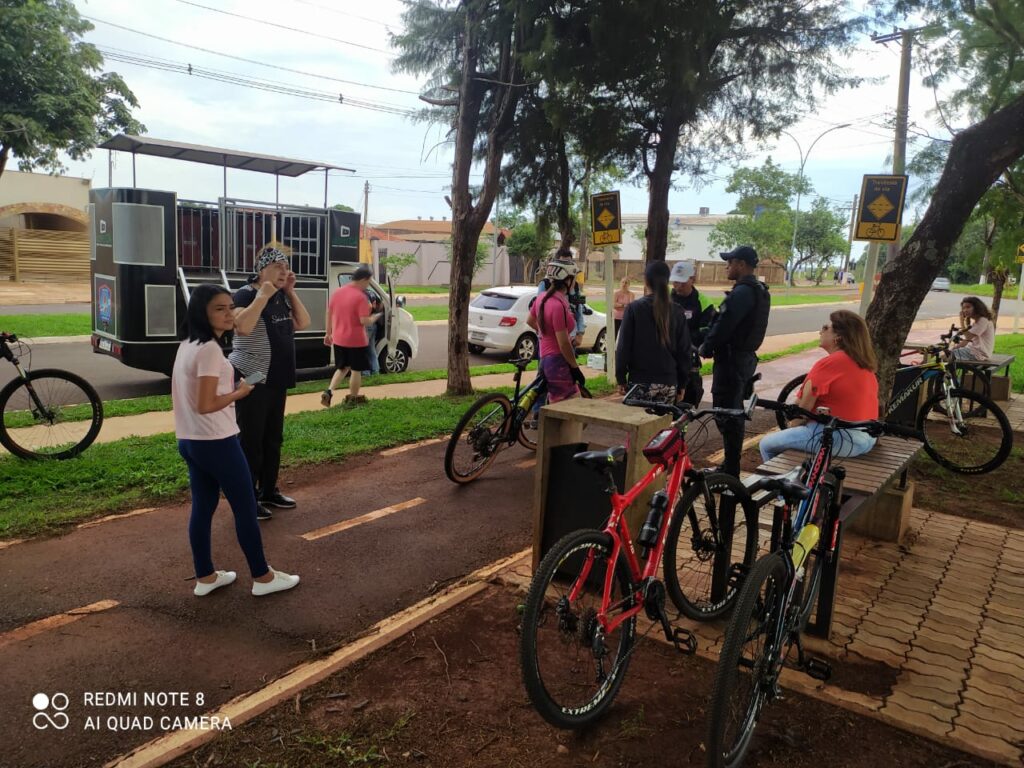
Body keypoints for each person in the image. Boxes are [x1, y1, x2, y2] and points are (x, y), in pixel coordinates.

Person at [172, 284, 300, 598]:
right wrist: (240, 393)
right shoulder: (210, 350)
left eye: (231, 307)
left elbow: (196, 397)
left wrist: (230, 389)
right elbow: (205, 404)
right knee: (244, 507)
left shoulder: (188, 343)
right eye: (220, 308)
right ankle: (263, 577)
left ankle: (206, 576)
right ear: (202, 312)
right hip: (217, 441)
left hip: (190, 440)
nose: (229, 314)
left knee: (203, 507)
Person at [231, 246, 312, 520]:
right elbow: (242, 326)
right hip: (252, 378)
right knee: (250, 441)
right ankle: (247, 498)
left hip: (277, 378)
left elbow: (303, 322)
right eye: (277, 266)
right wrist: (263, 296)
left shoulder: (281, 296)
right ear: (261, 268)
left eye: (285, 266)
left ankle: (268, 490)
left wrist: (289, 291)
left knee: (273, 439)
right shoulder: (246, 294)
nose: (284, 271)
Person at [759, 310, 879, 462]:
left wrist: (790, 430)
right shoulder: (864, 363)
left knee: (767, 445)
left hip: (841, 438)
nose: (820, 331)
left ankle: (780, 484)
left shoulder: (828, 365)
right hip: (867, 439)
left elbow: (801, 413)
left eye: (825, 328)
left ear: (838, 337)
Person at [699, 245, 771, 476]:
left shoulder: (743, 292)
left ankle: (730, 469)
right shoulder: (759, 290)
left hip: (732, 361)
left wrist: (706, 347)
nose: (727, 266)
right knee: (733, 411)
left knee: (727, 413)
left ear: (741, 264)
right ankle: (731, 465)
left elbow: (724, 325)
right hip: (744, 359)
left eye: (730, 262)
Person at [616, 260, 691, 404]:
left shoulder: (634, 309)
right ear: (667, 280)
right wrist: (682, 383)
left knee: (639, 425)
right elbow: (684, 351)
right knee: (662, 425)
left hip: (639, 383)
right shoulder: (677, 311)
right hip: (668, 383)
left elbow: (623, 347)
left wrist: (621, 378)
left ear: (646, 281)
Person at [322, 264, 382, 406]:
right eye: (368, 282)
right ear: (363, 279)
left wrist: (328, 333)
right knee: (356, 370)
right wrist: (375, 317)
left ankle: (329, 391)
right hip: (356, 340)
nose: (367, 285)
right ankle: (353, 398)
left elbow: (329, 313)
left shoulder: (338, 293)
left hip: (339, 338)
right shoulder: (360, 297)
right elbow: (364, 321)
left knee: (342, 368)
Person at [527, 260, 586, 403]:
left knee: (555, 405)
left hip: (545, 358)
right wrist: (575, 367)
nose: (575, 282)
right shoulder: (558, 305)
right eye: (574, 278)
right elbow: (564, 344)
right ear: (568, 280)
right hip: (557, 362)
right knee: (573, 407)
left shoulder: (542, 297)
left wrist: (544, 334)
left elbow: (530, 320)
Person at [670, 260, 717, 406]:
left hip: (690, 361)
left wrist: (684, 339)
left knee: (688, 402)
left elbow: (708, 330)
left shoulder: (703, 302)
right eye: (675, 282)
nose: (678, 286)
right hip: (667, 361)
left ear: (693, 279)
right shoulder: (665, 300)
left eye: (682, 282)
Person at [953, 296, 995, 361]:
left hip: (978, 354)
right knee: (946, 353)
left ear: (977, 308)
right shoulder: (977, 322)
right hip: (974, 351)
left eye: (968, 307)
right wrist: (954, 348)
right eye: (963, 308)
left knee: (944, 356)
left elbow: (968, 336)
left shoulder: (983, 320)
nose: (965, 310)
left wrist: (961, 321)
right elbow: (967, 340)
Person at [361, 290, 384, 377]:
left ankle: (365, 372)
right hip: (373, 325)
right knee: (371, 350)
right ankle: (375, 371)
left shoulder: (363, 294)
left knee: (363, 350)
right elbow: (380, 304)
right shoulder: (372, 292)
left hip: (367, 325)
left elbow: (369, 306)